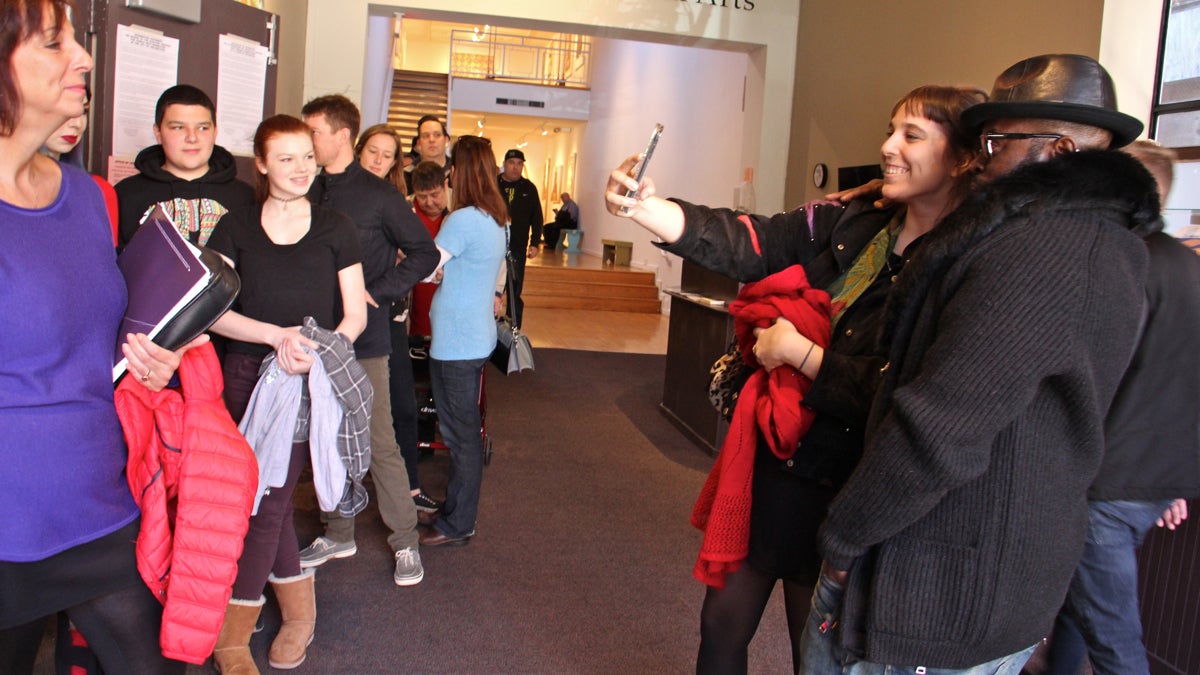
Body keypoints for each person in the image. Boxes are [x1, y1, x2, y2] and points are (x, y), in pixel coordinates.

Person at [789, 53, 1156, 672]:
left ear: (1059, 151)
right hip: (991, 567)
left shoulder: (1043, 252)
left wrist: (846, 534)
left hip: (937, 578)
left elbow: (941, 429)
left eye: (994, 141)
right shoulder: (1106, 242)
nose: (981, 157)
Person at [604, 85, 985, 673]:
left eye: (911, 136)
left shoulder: (966, 264)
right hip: (775, 463)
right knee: (720, 627)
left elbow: (907, 395)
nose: (888, 147)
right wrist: (643, 206)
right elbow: (752, 240)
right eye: (890, 130)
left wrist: (803, 355)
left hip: (851, 488)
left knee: (816, 653)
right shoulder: (855, 221)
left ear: (961, 158)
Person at [0, 2, 197, 672]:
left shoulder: (86, 196)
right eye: (54, 44)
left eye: (76, 43)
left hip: (96, 497)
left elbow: (85, 334)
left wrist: (144, 356)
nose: (82, 59)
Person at [206, 114, 368, 673]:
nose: (301, 168)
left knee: (267, 503)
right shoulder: (236, 225)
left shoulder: (336, 225)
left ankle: (233, 634)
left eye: (306, 156)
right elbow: (215, 311)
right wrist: (275, 336)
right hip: (244, 377)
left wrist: (313, 350)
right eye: (286, 158)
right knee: (250, 495)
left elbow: (353, 317)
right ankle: (299, 612)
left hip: (304, 380)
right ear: (262, 164)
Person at [1044, 139, 1200, 675]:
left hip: (1108, 484)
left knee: (1115, 644)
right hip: (1157, 482)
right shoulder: (1188, 266)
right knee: (1077, 607)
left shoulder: (1124, 266)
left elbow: (1097, 379)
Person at [299, 94, 439, 585]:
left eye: (312, 132)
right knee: (326, 439)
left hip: (366, 340)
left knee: (380, 443)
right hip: (310, 338)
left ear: (341, 136)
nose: (305, 141)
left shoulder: (380, 197)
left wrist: (376, 293)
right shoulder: (304, 188)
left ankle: (405, 541)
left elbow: (424, 254)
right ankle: (338, 531)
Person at [418, 135, 508, 548]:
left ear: (462, 172)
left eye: (452, 165)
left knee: (460, 437)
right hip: (471, 337)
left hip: (457, 342)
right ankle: (454, 512)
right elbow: (458, 270)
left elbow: (426, 269)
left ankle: (459, 523)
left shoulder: (463, 219)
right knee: (462, 433)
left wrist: (404, 259)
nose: (448, 172)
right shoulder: (494, 217)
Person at [115, 84, 254, 248]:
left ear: (215, 132)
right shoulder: (124, 195)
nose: (192, 138)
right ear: (158, 133)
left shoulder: (248, 198)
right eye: (178, 127)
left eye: (202, 128)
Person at [393, 160, 451, 515]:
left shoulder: (455, 217)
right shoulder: (406, 217)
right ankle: (420, 438)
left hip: (444, 312)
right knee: (414, 379)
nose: (431, 202)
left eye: (436, 195)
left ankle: (435, 431)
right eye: (424, 196)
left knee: (439, 376)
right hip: (413, 313)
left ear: (446, 188)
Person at [41, 84, 118, 242]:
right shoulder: (8, 189)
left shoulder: (98, 190)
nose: (76, 123)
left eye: (83, 111)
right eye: (65, 109)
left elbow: (105, 263)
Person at [497, 148, 542, 327]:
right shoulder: (493, 184)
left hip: (517, 246)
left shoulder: (529, 188)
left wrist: (535, 242)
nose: (516, 167)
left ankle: (513, 328)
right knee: (490, 286)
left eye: (519, 164)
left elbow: (536, 217)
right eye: (512, 163)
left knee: (514, 288)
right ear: (504, 164)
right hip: (493, 244)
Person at [403, 114, 450, 194]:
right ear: (419, 142)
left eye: (437, 135)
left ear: (446, 140)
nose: (431, 140)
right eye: (425, 136)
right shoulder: (405, 176)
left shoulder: (458, 173)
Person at [355, 123, 405, 192]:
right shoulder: (339, 188)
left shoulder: (396, 198)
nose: (378, 160)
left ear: (393, 162)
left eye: (387, 156)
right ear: (359, 151)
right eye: (373, 151)